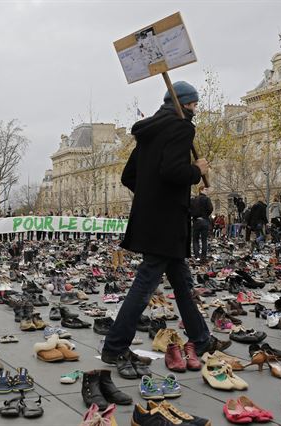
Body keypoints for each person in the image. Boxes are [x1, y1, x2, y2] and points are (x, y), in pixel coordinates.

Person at [101, 81, 230, 379]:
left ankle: (200, 339)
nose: (196, 110)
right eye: (195, 105)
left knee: (181, 281)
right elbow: (173, 172)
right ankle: (115, 345)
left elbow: (128, 175)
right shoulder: (182, 128)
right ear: (185, 103)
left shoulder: (147, 131)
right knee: (145, 283)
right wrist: (197, 170)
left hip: (151, 219)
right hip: (168, 221)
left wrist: (150, 197)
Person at [190, 186, 213, 262]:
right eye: (205, 190)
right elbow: (210, 209)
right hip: (204, 221)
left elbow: (190, 209)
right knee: (204, 240)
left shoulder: (194, 200)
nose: (207, 191)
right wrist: (205, 215)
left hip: (196, 221)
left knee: (195, 240)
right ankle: (203, 257)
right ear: (201, 190)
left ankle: (197, 256)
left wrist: (194, 216)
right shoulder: (206, 199)